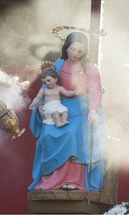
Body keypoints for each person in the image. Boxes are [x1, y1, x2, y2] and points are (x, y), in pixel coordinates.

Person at [28, 32, 107, 191]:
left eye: (80, 51)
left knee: (73, 132)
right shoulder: (58, 64)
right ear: (66, 48)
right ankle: (51, 180)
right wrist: (42, 104)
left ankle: (74, 180)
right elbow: (47, 85)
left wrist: (92, 110)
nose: (76, 54)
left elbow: (95, 90)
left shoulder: (90, 68)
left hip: (82, 106)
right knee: (48, 133)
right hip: (59, 103)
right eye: (73, 49)